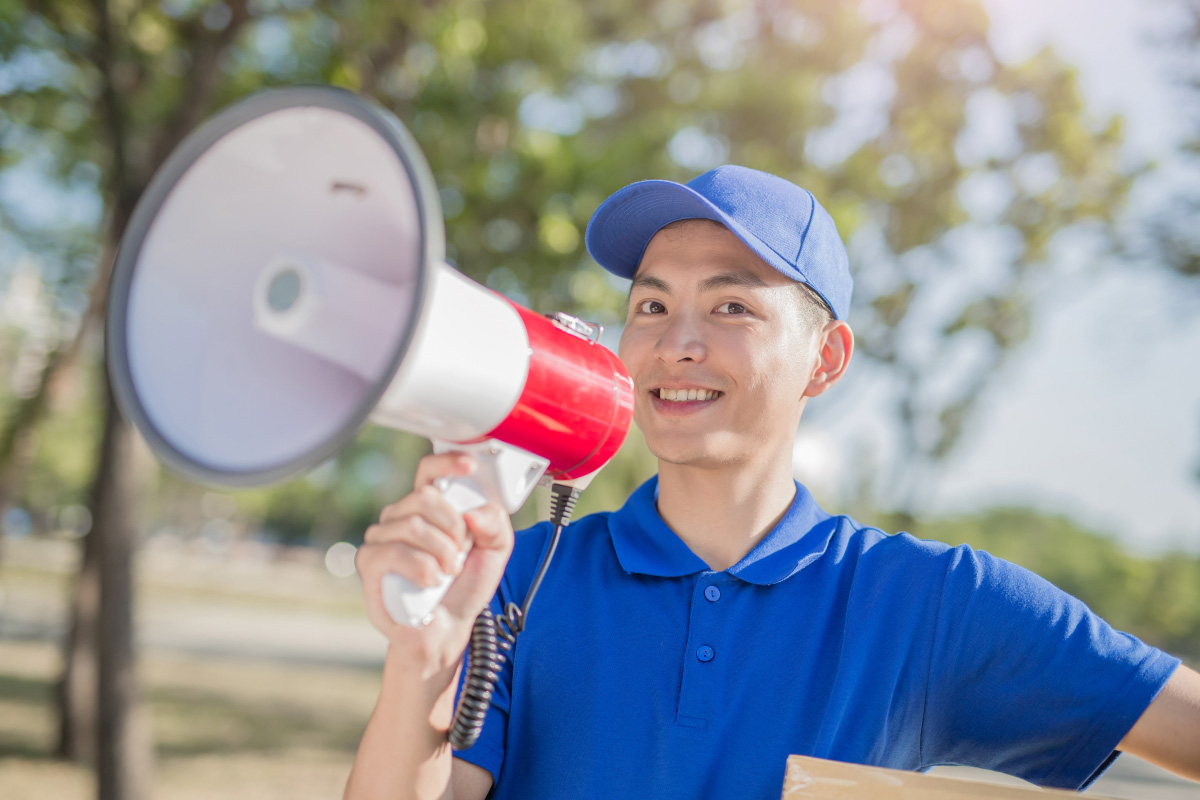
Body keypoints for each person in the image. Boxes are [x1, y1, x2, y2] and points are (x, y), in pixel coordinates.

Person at [344, 166, 1200, 800]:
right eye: (650, 305)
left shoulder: (931, 602)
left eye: (732, 307)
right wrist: (422, 657)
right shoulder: (517, 575)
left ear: (824, 360)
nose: (678, 343)